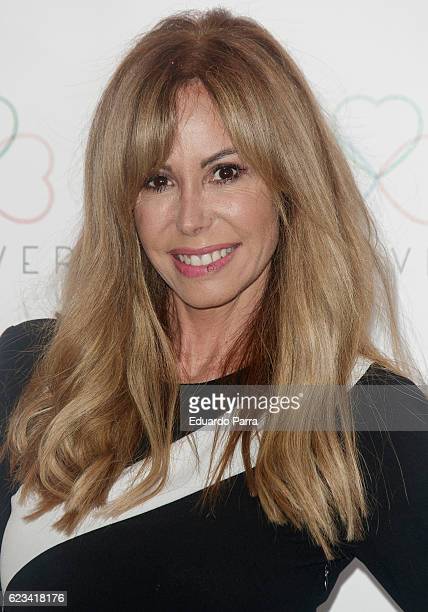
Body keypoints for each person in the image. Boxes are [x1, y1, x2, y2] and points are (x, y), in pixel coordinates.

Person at [1, 7, 427, 611]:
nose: (191, 218)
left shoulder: (362, 412)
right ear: (123, 203)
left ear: (288, 186)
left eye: (225, 172)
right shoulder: (32, 370)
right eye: (157, 180)